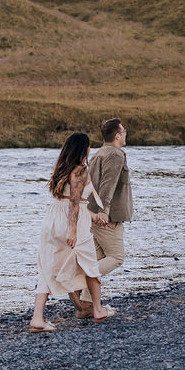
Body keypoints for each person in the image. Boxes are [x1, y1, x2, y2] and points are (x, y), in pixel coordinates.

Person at [32, 132, 117, 332]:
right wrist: (73, 231)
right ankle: (98, 309)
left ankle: (37, 318)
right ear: (83, 149)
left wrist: (93, 217)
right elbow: (74, 203)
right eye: (88, 146)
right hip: (72, 222)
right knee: (90, 265)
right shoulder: (80, 171)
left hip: (52, 219)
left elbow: (68, 200)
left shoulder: (61, 169)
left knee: (47, 267)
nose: (90, 150)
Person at [71, 119, 134, 318]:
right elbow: (109, 184)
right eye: (123, 131)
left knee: (98, 258)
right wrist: (104, 211)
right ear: (117, 135)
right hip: (106, 216)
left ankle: (88, 306)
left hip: (90, 214)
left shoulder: (99, 153)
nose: (125, 134)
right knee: (116, 257)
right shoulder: (115, 154)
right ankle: (78, 281)